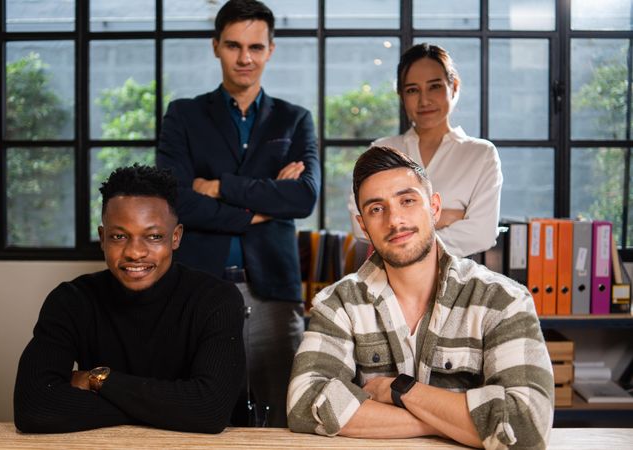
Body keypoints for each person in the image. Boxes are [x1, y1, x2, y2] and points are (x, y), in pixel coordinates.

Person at [288, 146, 553, 449]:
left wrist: (400, 391)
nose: (395, 220)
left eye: (408, 201)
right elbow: (304, 403)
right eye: (376, 209)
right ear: (363, 225)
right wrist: (447, 422)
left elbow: (527, 425)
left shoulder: (502, 300)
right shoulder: (339, 303)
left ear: (434, 208)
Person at [156, 0, 320, 427]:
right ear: (215, 47)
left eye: (255, 47)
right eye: (233, 45)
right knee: (200, 414)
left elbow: (302, 198)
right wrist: (256, 211)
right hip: (199, 287)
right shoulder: (183, 115)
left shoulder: (295, 120)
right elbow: (177, 201)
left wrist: (220, 186)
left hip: (273, 290)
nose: (245, 58)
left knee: (287, 414)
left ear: (270, 50)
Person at [13, 165, 246, 434]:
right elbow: (33, 407)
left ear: (176, 237)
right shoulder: (71, 300)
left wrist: (99, 380)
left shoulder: (216, 299)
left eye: (154, 236)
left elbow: (210, 411)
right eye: (119, 236)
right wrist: (171, 409)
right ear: (102, 238)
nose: (135, 252)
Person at [347, 43, 502, 258]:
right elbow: (360, 223)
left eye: (435, 86)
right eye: (412, 90)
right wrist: (445, 217)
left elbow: (481, 234)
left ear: (454, 86)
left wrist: (401, 239)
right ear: (401, 95)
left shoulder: (480, 154)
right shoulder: (382, 150)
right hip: (388, 283)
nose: (424, 100)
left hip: (457, 283)